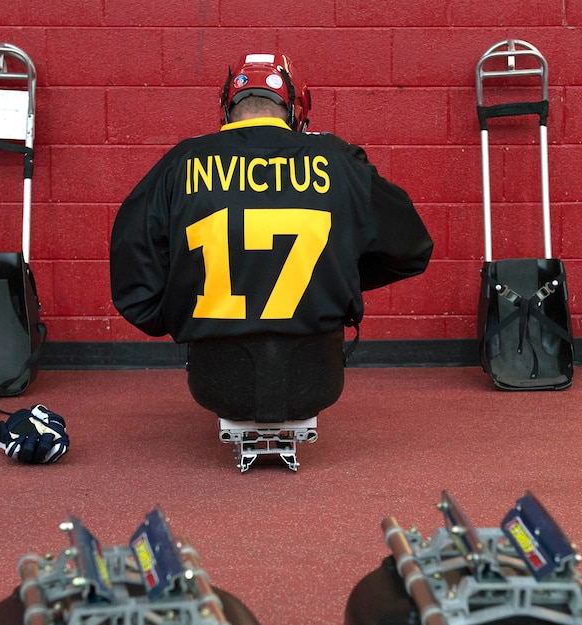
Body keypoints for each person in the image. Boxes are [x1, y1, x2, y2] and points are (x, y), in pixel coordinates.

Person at [110, 52, 433, 421]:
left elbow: (132, 257)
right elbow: (412, 248)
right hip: (316, 377)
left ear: (226, 109)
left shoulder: (182, 162)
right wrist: (339, 275)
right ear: (298, 109)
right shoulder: (340, 162)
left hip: (215, 380)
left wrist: (168, 315)